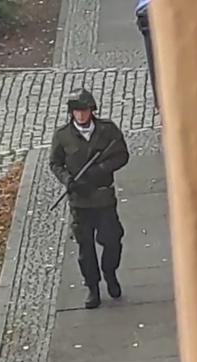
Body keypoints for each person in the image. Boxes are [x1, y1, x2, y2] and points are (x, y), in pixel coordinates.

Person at [49, 88, 130, 309]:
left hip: (103, 197)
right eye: (77, 111)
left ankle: (110, 272)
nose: (81, 115)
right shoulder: (63, 136)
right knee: (86, 248)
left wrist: (100, 169)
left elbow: (122, 155)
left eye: (84, 110)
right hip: (80, 202)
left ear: (91, 110)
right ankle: (92, 287)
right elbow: (55, 163)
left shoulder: (107, 131)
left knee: (112, 239)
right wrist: (68, 180)